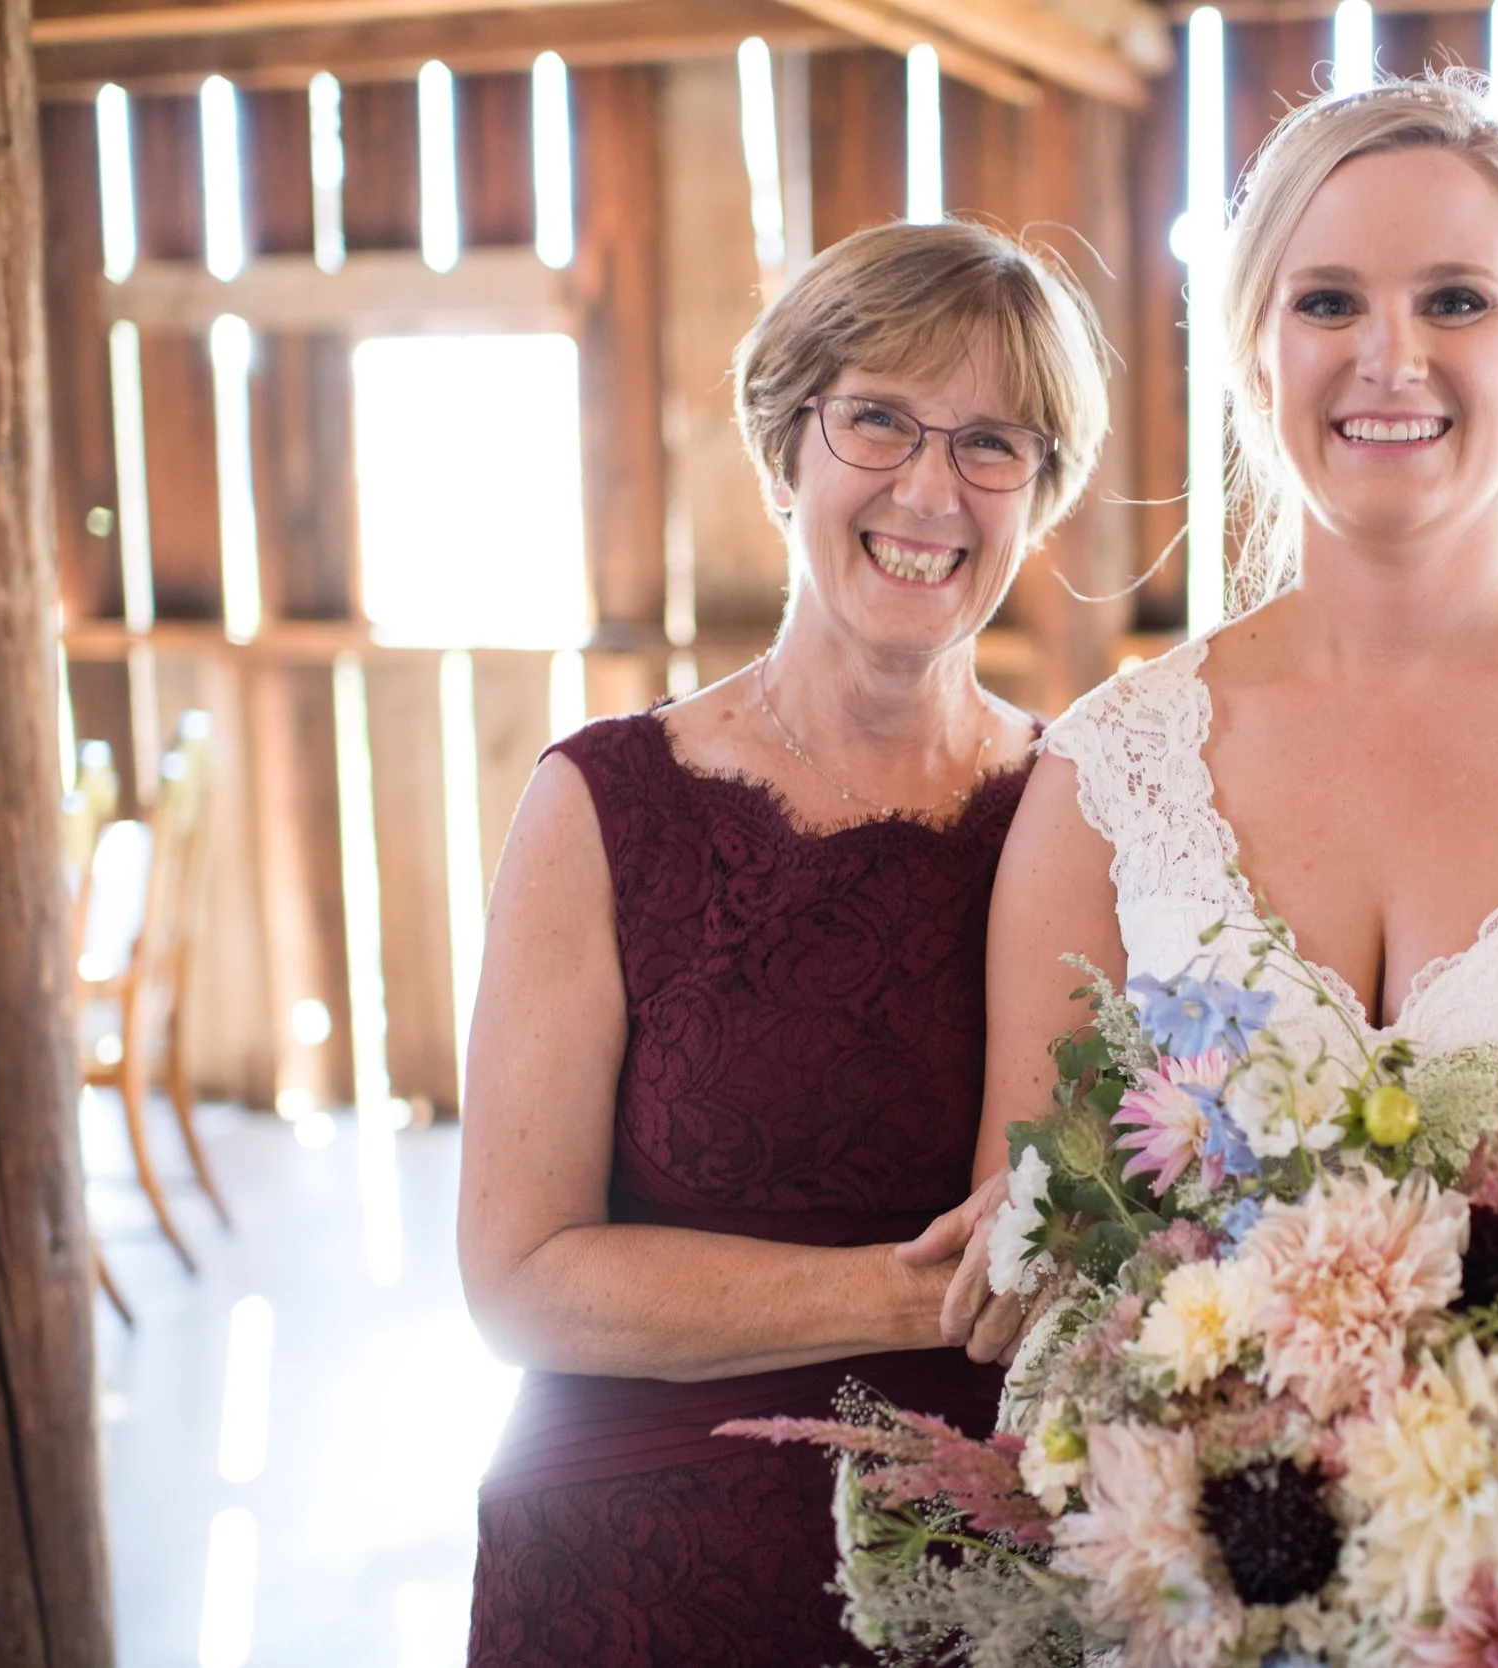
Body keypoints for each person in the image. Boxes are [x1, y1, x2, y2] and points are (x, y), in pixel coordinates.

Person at [947, 75, 1498, 1663]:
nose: (1391, 356)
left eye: (1456, 300)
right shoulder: (1106, 773)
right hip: (1216, 1608)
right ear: (1254, 353)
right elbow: (1051, 1247)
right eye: (1327, 302)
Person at [458, 218, 1109, 1666]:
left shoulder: (1087, 814)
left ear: (1039, 501)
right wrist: (904, 1293)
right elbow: (518, 1279)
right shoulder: (602, 806)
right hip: (625, 1552)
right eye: (879, 418)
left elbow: (1067, 1241)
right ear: (784, 448)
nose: (931, 489)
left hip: (969, 1562)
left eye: (994, 443)